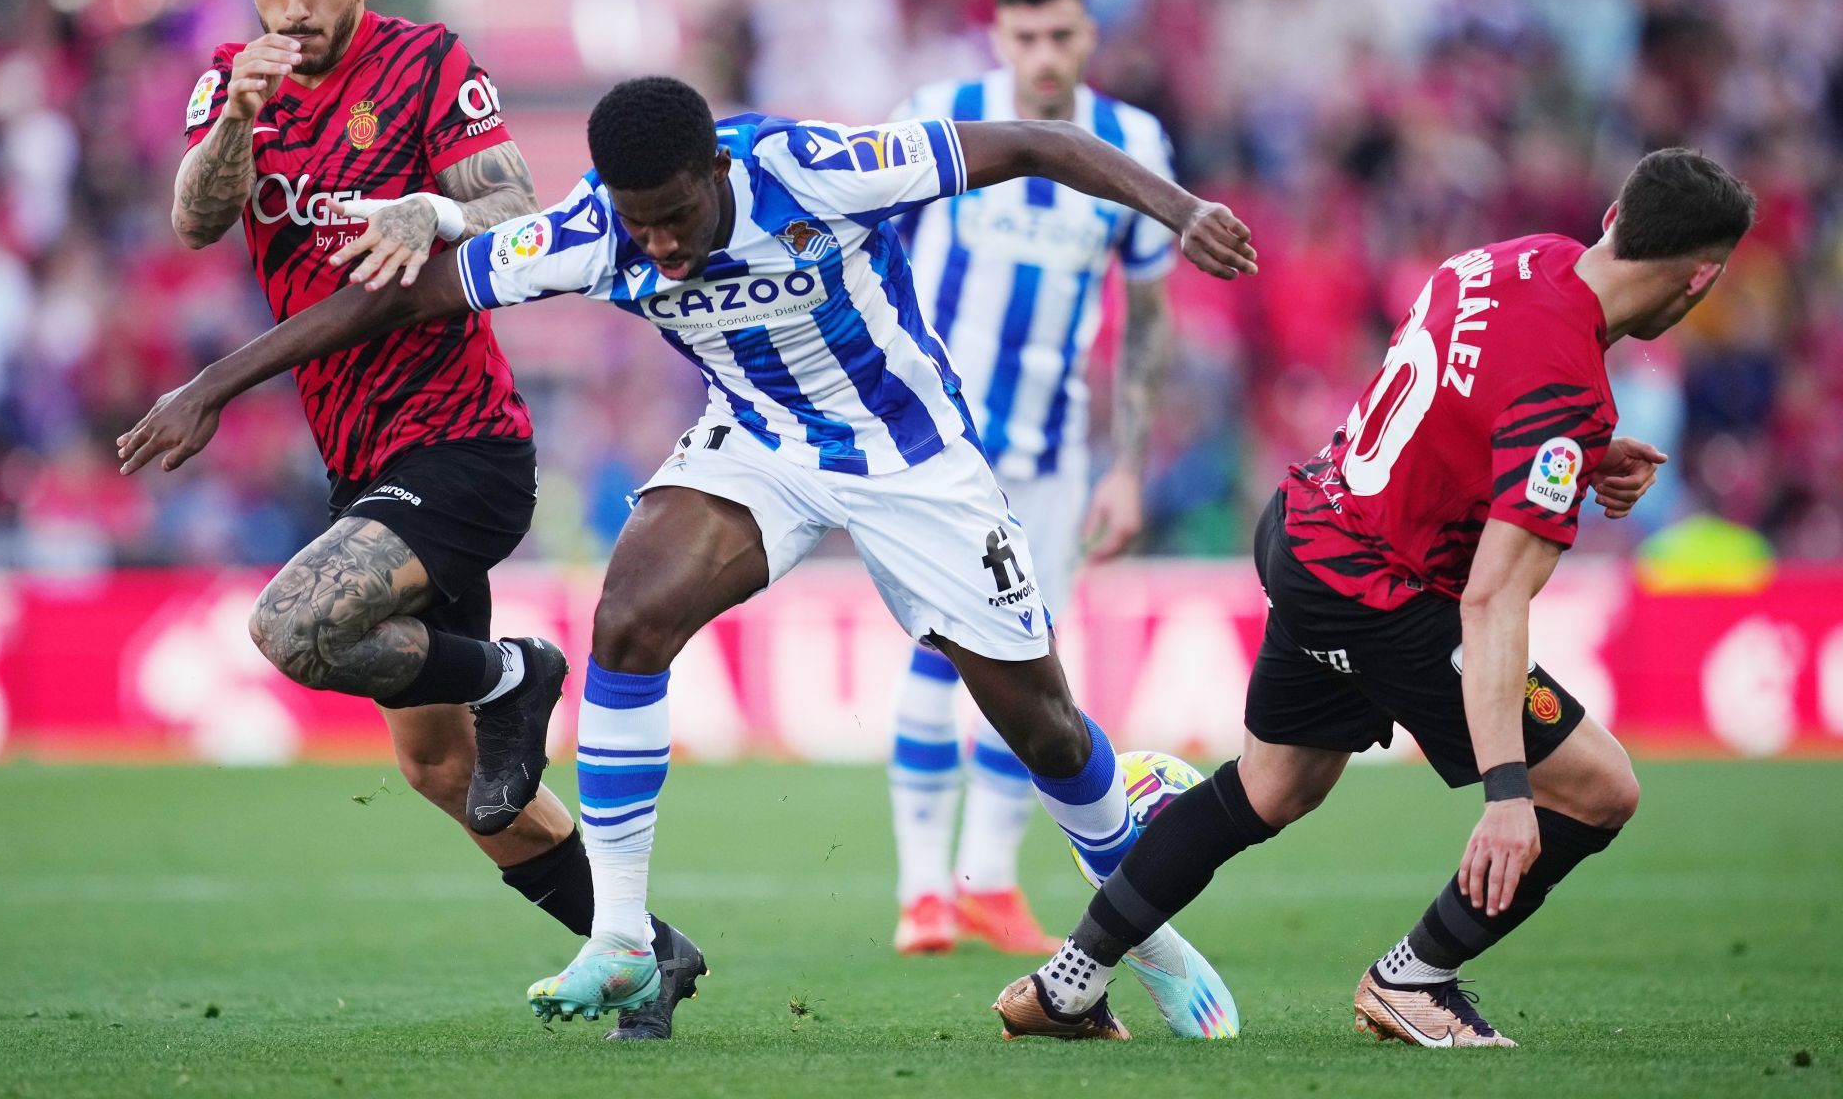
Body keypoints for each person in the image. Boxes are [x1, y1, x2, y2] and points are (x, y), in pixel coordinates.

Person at [116, 75, 1258, 1037]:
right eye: (638, 223)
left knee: (1045, 725)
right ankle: (619, 934)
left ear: (715, 166)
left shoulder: (814, 169)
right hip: (757, 442)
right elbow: (404, 298)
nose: (655, 246)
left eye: (672, 217)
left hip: (912, 459)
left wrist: (1179, 208)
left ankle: (1145, 931)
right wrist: (211, 383)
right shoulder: (596, 229)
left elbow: (1033, 141)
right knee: (627, 618)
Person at [994, 148, 1755, 1045]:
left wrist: (1578, 453)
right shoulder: (1566, 395)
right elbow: (1493, 601)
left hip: (1308, 528)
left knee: (1272, 786)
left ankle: (1066, 985)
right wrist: (1508, 795)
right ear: (1701, 279)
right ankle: (1414, 979)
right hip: (1382, 593)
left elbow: (1469, 394)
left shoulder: (1516, 259)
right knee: (1597, 788)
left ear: (1613, 221)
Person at [136, 0, 703, 1040]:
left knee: (293, 626)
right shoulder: (232, 87)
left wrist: (433, 213)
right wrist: (238, 117)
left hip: (462, 440)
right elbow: (196, 219)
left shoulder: (429, 63)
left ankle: (512, 675)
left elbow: (524, 211)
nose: (292, 4)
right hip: (363, 460)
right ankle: (645, 949)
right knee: (447, 774)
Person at [884, 0, 1176, 958]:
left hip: (1051, 455)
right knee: (941, 656)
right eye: (1027, 38)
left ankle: (992, 882)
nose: (1045, 56)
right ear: (998, 38)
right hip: (935, 450)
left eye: (1063, 36)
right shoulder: (939, 111)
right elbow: (869, 243)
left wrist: (1127, 463)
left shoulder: (1134, 142)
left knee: (1036, 661)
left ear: (1089, 35)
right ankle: (924, 889)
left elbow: (1145, 316)